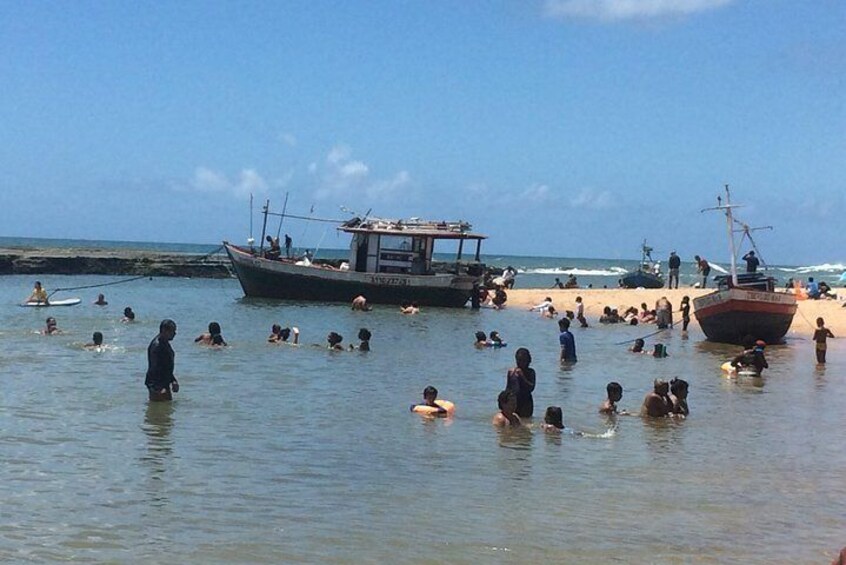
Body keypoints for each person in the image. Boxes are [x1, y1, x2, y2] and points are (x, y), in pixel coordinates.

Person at [145, 319, 179, 401]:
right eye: (172, 331)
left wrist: (173, 380)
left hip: (164, 383)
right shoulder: (157, 346)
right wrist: (159, 388)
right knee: (158, 411)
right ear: (164, 330)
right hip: (157, 385)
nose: (175, 333)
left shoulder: (165, 343)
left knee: (165, 411)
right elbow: (155, 368)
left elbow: (166, 366)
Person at [505, 348, 536, 418]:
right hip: (513, 402)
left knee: (525, 422)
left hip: (526, 403)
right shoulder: (511, 372)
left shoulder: (531, 372)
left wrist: (522, 376)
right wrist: (505, 402)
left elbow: (531, 388)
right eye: (518, 361)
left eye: (523, 361)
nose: (521, 363)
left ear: (528, 360)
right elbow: (508, 388)